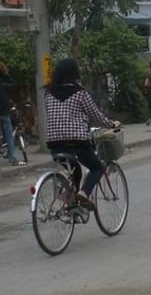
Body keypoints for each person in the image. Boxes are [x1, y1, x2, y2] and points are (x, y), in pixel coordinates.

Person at [44, 58, 121, 209]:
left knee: (75, 171)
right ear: (75, 74)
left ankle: (71, 203)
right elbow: (96, 116)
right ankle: (84, 193)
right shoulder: (80, 93)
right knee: (97, 168)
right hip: (76, 142)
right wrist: (111, 124)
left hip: (54, 144)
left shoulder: (48, 93)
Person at [0, 62, 25, 166]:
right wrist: (6, 74)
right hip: (3, 113)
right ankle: (12, 158)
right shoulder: (3, 86)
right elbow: (14, 84)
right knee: (9, 135)